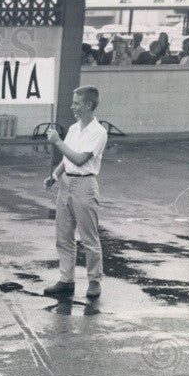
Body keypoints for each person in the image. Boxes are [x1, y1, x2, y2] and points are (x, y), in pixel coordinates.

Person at [43, 86, 109, 300]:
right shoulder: (73, 129)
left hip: (84, 185)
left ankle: (94, 281)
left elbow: (80, 159)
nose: (73, 107)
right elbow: (67, 159)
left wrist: (57, 142)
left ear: (88, 105)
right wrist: (54, 175)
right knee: (63, 236)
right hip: (65, 183)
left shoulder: (98, 132)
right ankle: (66, 279)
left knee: (89, 237)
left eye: (76, 103)